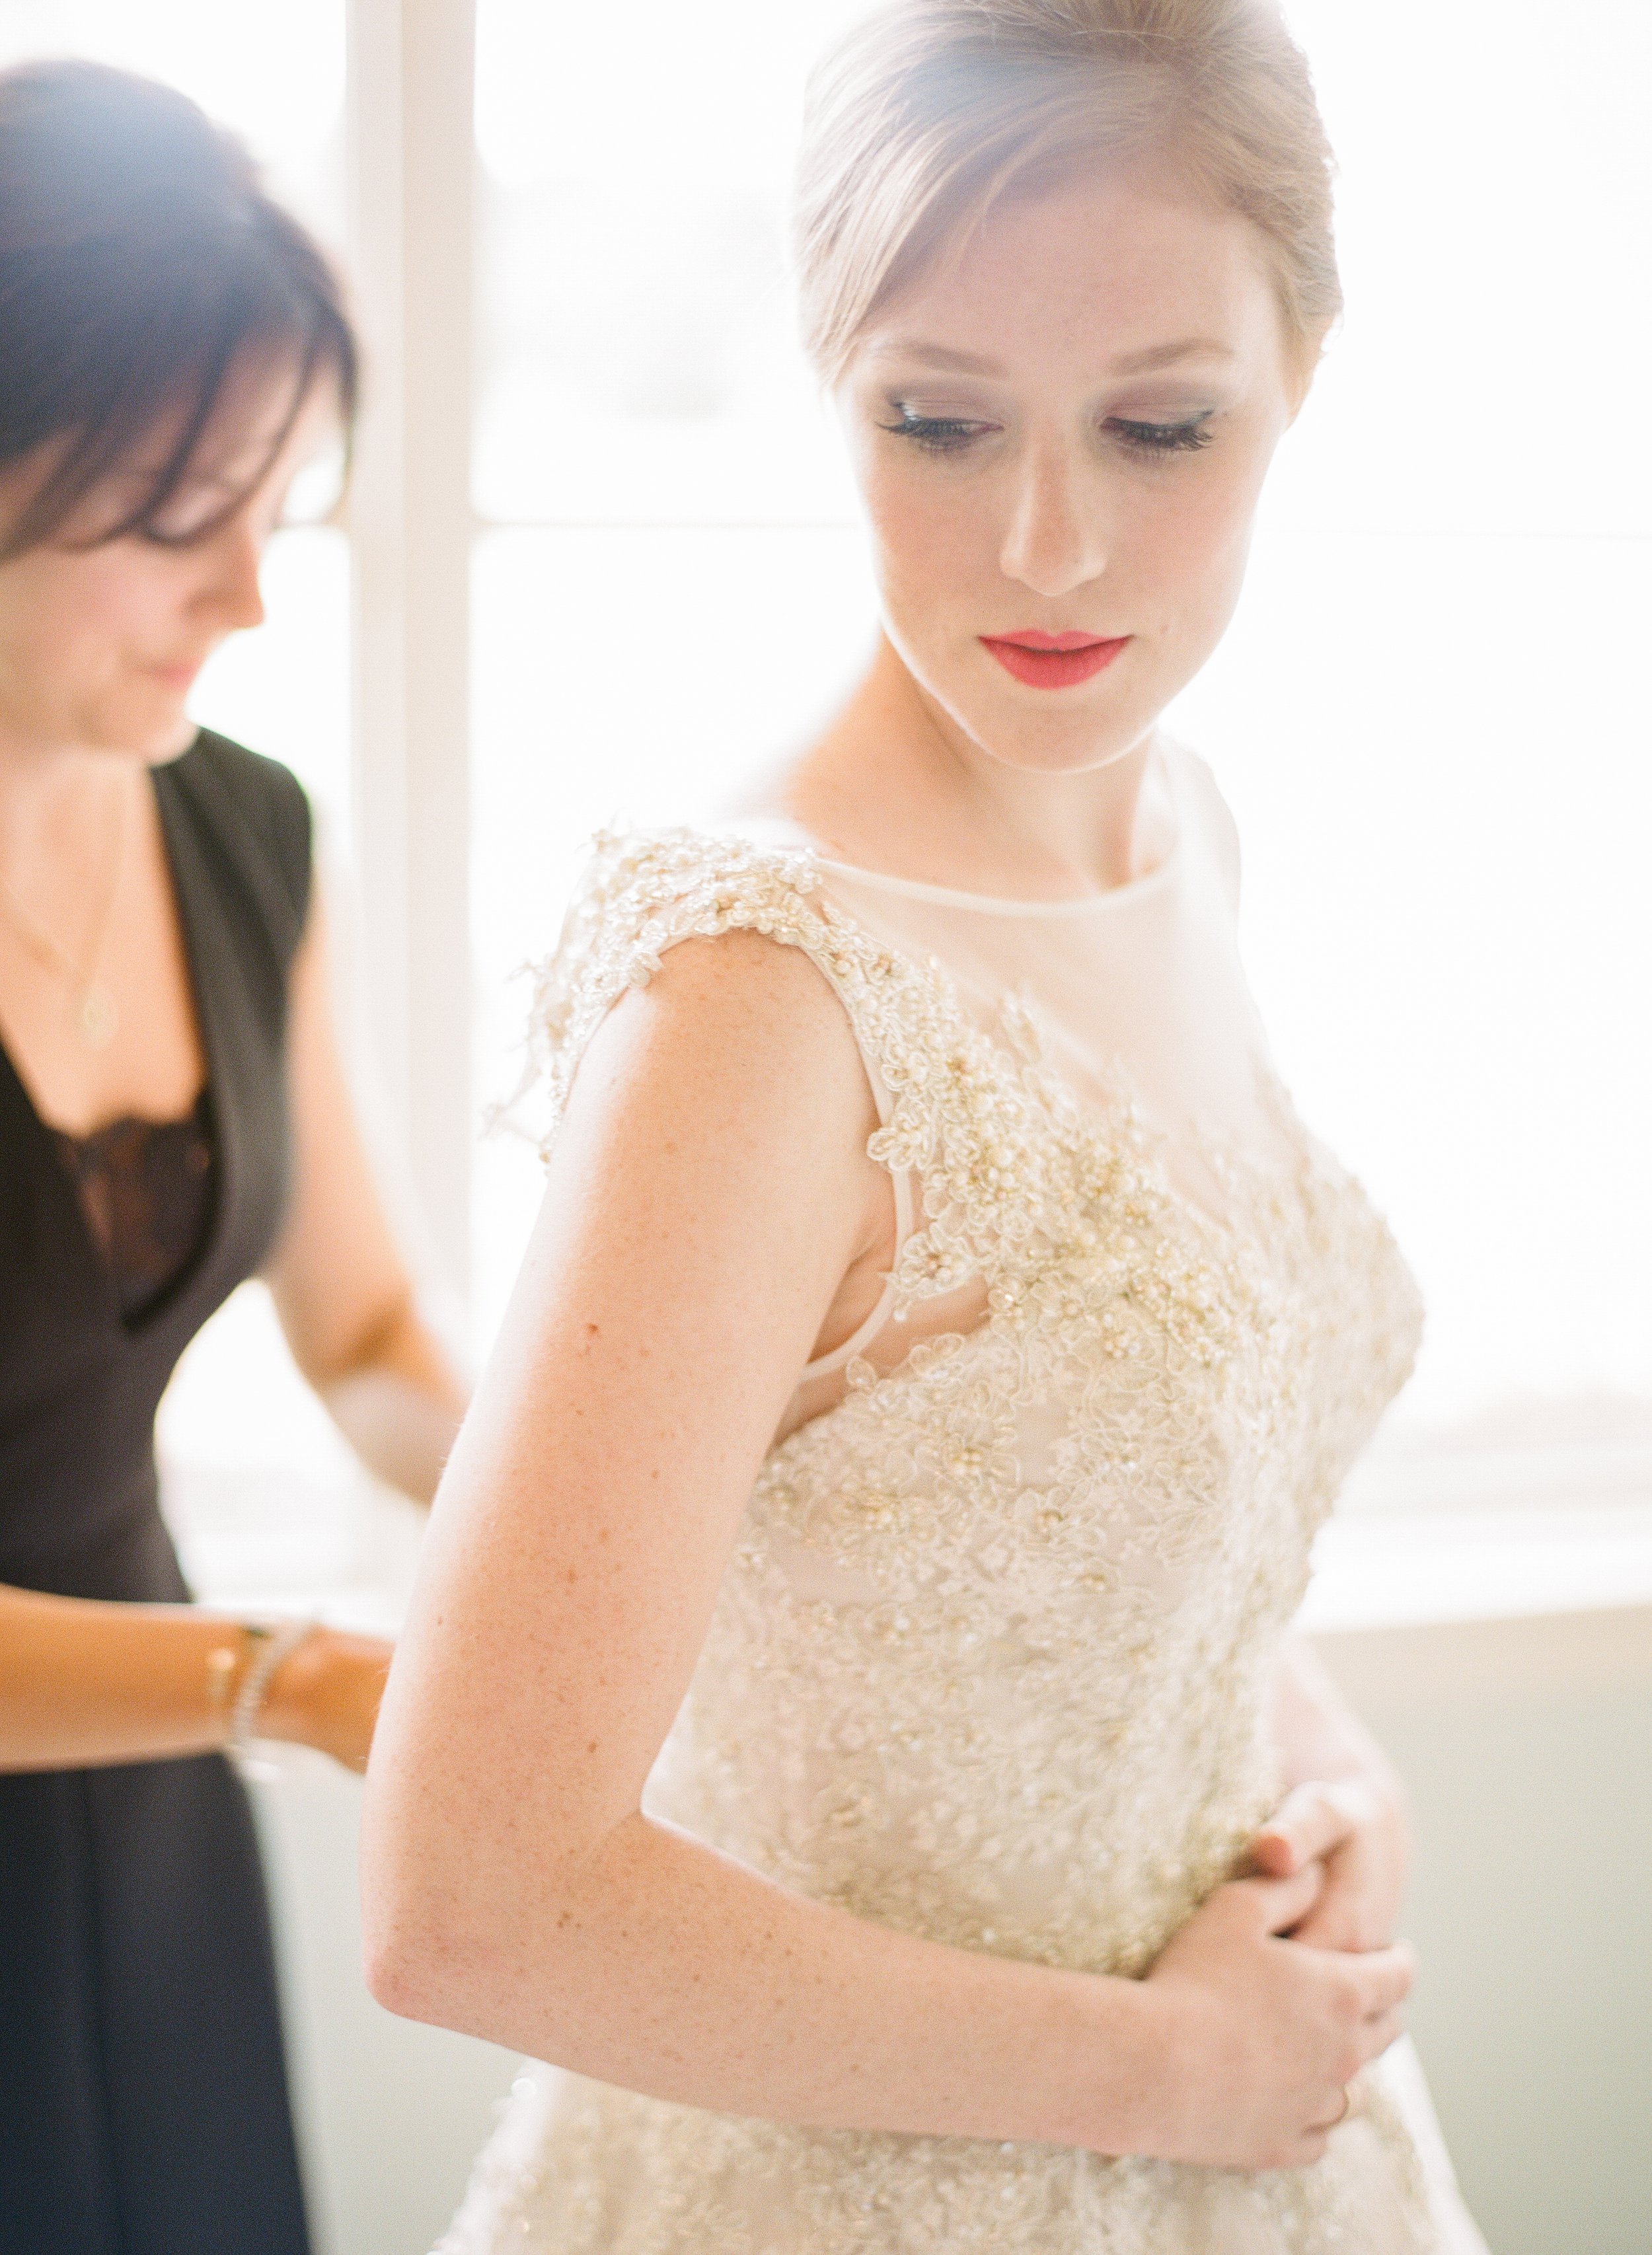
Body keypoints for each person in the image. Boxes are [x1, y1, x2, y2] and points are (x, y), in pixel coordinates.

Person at [362, 2, 1487, 2248]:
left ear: (1305, 376)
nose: (1048, 547)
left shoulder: (1176, 824)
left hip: (1250, 2132)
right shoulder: (756, 1000)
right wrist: (1160, 2070)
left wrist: (1308, 1743)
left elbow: (1074, 1486)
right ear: (823, 374)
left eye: (1159, 425)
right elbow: (469, 1899)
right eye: (935, 420)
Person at [0, 59, 466, 2255]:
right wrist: (292, 1678)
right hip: (197, 1699)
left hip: (151, 1818)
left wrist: (619, 1535)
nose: (253, 602)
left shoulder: (242, 829)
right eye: (181, 527)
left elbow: (363, 1329)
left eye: (276, 509)